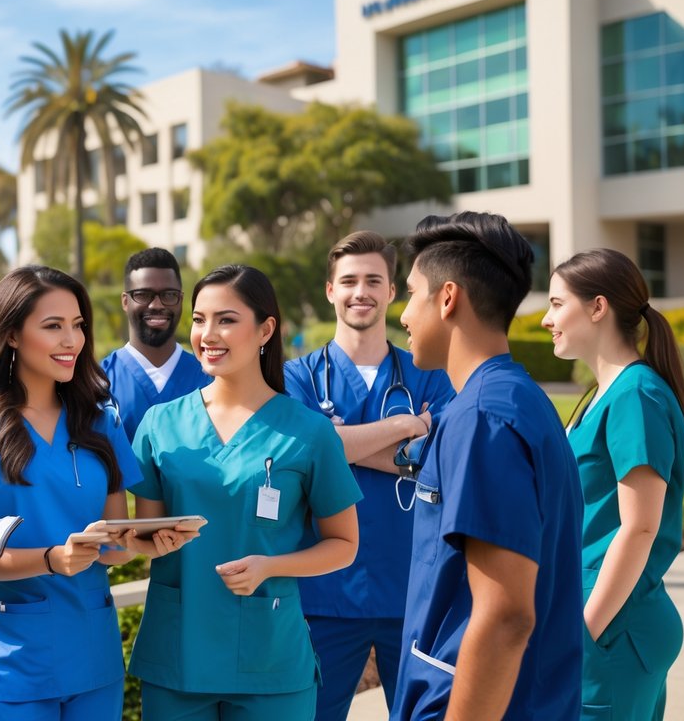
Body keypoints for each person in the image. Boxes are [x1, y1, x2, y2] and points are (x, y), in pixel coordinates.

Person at [0, 265, 188, 721]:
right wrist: (51, 558)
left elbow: (110, 545)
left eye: (78, 326)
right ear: (10, 335)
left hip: (93, 658)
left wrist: (142, 544)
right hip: (7, 666)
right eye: (53, 326)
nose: (72, 340)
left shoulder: (101, 421)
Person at [127, 264, 363, 721]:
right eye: (198, 319)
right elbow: (145, 536)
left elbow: (344, 545)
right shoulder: (160, 423)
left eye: (226, 319)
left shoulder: (309, 433)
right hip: (178, 654)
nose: (207, 334)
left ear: (265, 329)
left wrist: (270, 566)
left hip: (270, 660)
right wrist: (142, 542)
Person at [392, 212, 583, 721]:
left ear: (448, 297)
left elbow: (505, 616)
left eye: (411, 293)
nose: (403, 314)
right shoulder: (515, 397)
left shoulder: (484, 417)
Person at [283, 231, 454, 718]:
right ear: (330, 290)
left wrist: (336, 442)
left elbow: (438, 456)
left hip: (414, 590)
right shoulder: (297, 376)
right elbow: (304, 449)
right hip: (326, 592)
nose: (362, 291)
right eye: (350, 280)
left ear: (391, 291)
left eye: (373, 280)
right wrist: (405, 426)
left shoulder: (431, 373)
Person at [542, 249, 684, 720]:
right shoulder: (606, 394)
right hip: (604, 623)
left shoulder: (635, 395)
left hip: (609, 630)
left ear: (597, 307)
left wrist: (582, 632)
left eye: (557, 304)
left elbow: (638, 529)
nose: (546, 320)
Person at [101, 247, 211, 442]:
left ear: (181, 300)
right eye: (143, 295)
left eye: (168, 295)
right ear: (125, 302)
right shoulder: (97, 382)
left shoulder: (210, 378)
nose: (157, 305)